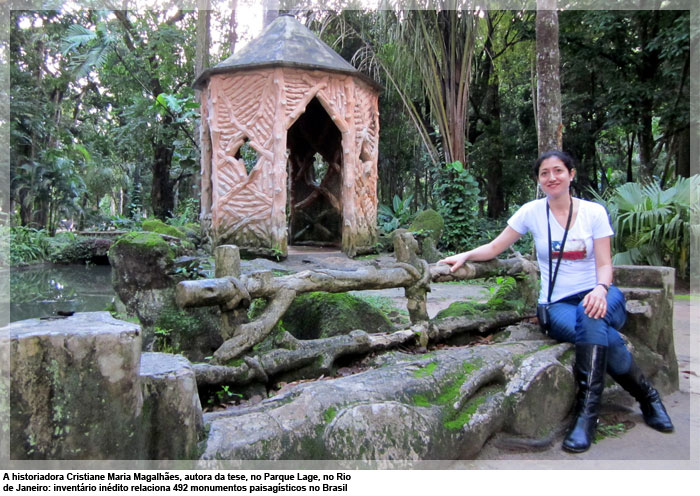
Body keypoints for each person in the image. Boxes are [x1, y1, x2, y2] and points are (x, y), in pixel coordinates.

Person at [438, 150, 673, 453]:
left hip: (600, 292)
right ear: (539, 180)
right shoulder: (531, 212)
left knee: (591, 313)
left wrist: (600, 289)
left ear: (571, 174)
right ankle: (648, 398)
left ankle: (586, 417)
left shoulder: (593, 213)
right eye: (544, 173)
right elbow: (496, 246)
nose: (551, 177)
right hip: (556, 305)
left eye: (558, 171)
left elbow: (604, 264)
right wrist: (467, 254)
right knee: (601, 332)